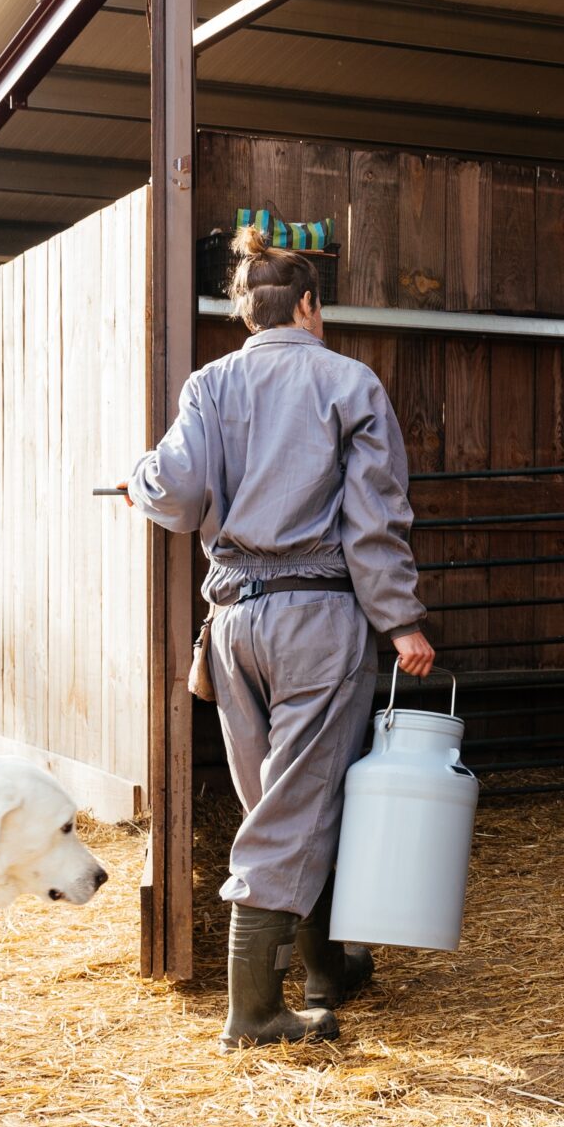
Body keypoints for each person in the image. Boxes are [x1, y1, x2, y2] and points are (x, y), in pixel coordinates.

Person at [127, 224, 436, 1049]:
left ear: (244, 312)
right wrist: (400, 618)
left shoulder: (208, 385)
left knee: (280, 798)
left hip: (231, 624)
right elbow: (376, 519)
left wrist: (136, 482)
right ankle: (255, 1012)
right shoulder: (350, 382)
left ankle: (328, 966)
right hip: (316, 619)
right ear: (307, 305)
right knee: (297, 804)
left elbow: (174, 488)